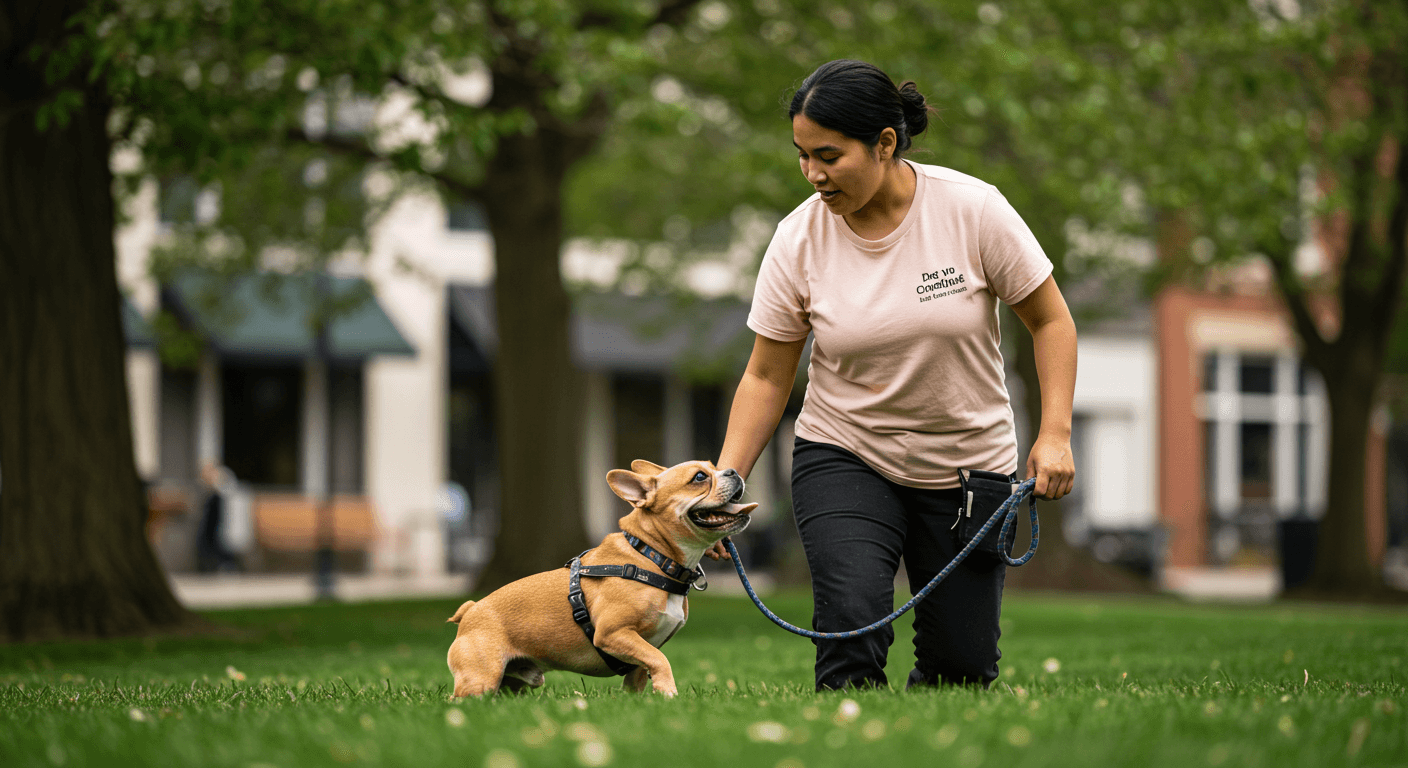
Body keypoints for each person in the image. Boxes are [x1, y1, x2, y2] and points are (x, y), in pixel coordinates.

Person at [710, 59, 1077, 692]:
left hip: (969, 465)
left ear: (885, 143)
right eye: (801, 156)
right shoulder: (798, 240)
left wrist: (1056, 433)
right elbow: (768, 375)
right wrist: (726, 478)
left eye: (828, 155)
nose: (813, 175)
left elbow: (1050, 321)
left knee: (960, 672)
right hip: (846, 452)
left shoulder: (971, 210)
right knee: (851, 630)